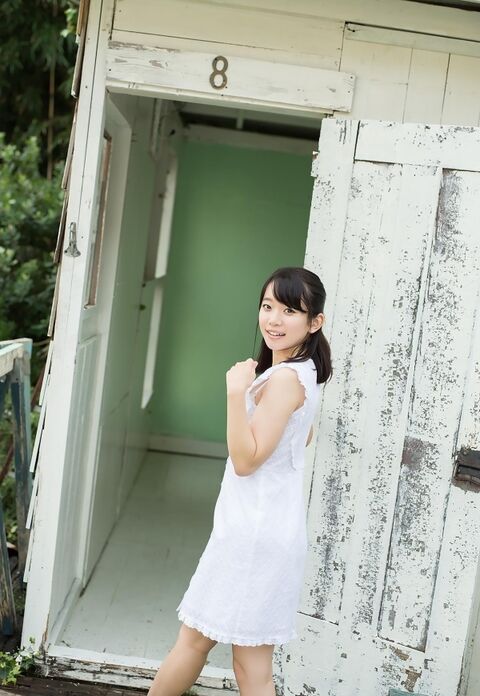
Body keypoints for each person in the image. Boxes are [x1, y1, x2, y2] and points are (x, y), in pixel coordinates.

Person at [147, 266, 332, 696]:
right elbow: (299, 437)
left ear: (314, 322)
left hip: (252, 536)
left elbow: (246, 461)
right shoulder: (302, 373)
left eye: (290, 311)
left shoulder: (284, 380)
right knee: (248, 666)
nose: (274, 319)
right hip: (266, 531)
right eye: (268, 306)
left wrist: (235, 392)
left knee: (197, 645)